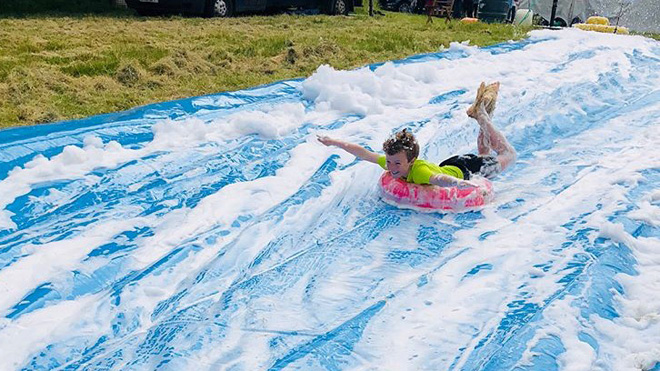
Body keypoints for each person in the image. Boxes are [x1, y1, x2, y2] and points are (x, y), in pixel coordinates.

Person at [317, 82, 516, 188]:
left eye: (397, 163)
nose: (391, 167)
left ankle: (482, 116)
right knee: (483, 153)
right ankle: (483, 115)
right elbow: (364, 153)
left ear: (412, 161)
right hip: (453, 165)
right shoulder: (392, 162)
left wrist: (471, 187)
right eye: (390, 161)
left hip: (464, 170)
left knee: (508, 155)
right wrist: (335, 142)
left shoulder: (419, 172)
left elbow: (443, 181)